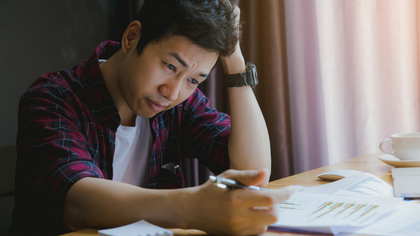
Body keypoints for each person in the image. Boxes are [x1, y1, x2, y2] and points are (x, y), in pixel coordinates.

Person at [9, 0, 294, 235]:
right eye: (170, 66)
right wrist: (192, 207)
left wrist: (235, 63)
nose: (172, 92)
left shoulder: (180, 103)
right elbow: (79, 203)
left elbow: (253, 172)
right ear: (132, 37)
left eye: (194, 80)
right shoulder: (52, 99)